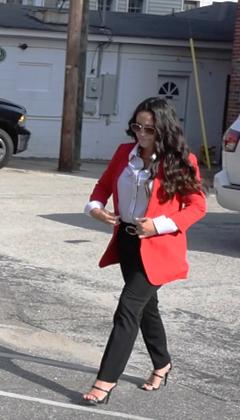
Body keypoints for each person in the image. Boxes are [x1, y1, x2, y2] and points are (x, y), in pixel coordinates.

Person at [81, 97, 206, 405]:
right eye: (137, 126)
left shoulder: (181, 160)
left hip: (159, 246)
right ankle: (162, 363)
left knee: (127, 308)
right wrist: (96, 209)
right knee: (146, 308)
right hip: (126, 241)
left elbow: (198, 206)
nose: (141, 134)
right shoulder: (124, 153)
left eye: (149, 129)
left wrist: (160, 225)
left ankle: (105, 382)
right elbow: (102, 187)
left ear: (163, 129)